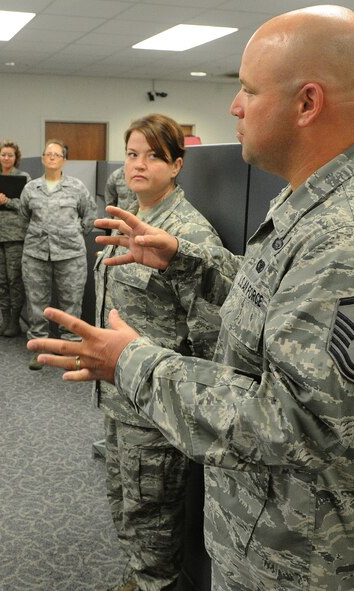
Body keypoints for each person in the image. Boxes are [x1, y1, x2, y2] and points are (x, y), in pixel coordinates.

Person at [29, 6, 354, 590]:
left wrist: (131, 362)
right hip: (264, 523)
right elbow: (272, 304)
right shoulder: (318, 203)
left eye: (248, 89)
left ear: (307, 103)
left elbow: (294, 423)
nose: (234, 106)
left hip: (298, 549)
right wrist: (185, 259)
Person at [97, 114, 230, 591]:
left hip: (155, 407)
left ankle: (154, 583)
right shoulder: (131, 216)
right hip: (118, 394)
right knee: (126, 507)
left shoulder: (187, 234)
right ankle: (140, 579)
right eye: (132, 154)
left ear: (176, 166)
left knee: (153, 519)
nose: (139, 164)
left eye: (153, 156)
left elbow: (211, 337)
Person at [19, 139, 96, 370]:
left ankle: (70, 349)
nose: (52, 157)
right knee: (36, 303)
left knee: (71, 303)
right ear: (43, 158)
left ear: (64, 160)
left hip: (70, 254)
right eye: (48, 154)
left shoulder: (76, 187)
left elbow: (89, 216)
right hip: (36, 254)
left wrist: (72, 234)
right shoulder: (31, 188)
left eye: (57, 154)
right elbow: (24, 218)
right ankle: (39, 348)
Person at [0, 140, 31, 337]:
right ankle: (5, 319)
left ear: (16, 158)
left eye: (10, 155)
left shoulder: (25, 178)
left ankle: (14, 321)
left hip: (16, 236)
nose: (6, 158)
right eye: (3, 154)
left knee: (15, 280)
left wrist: (6, 202)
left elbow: (27, 206)